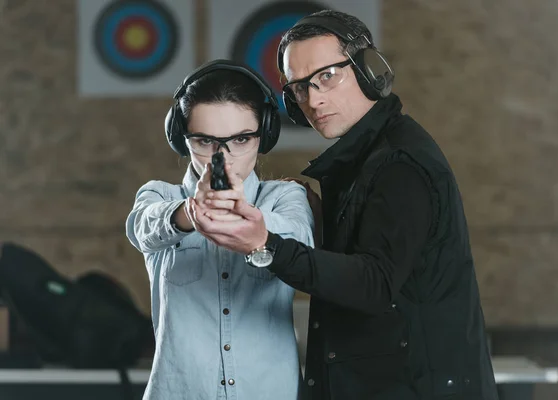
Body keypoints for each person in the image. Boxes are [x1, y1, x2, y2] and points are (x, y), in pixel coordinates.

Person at [188, 10, 499, 400]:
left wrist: (265, 245)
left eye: (327, 77)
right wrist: (325, 224)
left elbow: (374, 284)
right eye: (300, 87)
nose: (314, 99)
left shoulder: (398, 163)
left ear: (367, 71)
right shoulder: (362, 162)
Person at [125, 60, 314, 400]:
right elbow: (143, 227)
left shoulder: (285, 197)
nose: (223, 157)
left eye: (241, 139)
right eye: (205, 140)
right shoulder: (159, 195)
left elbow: (303, 244)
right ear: (183, 140)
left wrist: (252, 220)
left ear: (265, 134)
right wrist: (190, 212)